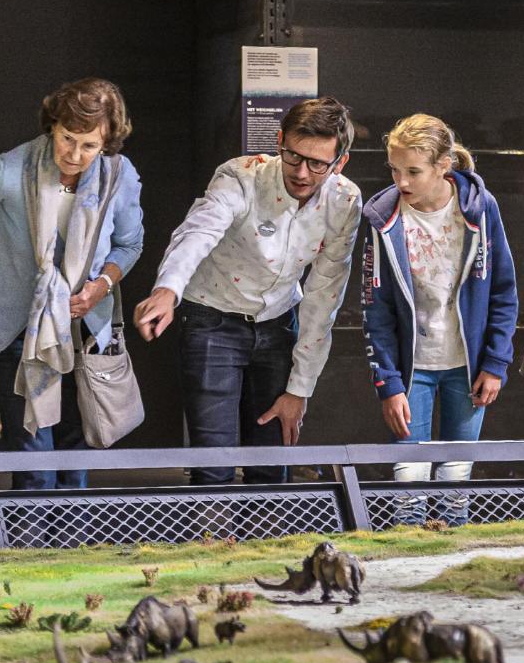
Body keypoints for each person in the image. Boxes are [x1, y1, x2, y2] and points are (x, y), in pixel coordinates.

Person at [0, 78, 143, 491]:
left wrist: (101, 286)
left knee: (75, 462)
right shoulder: (13, 169)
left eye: (89, 145)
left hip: (85, 332)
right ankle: (28, 535)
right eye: (67, 139)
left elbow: (130, 243)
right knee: (34, 465)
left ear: (106, 143)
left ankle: (71, 536)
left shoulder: (118, 176)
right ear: (52, 126)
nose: (74, 154)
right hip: (18, 329)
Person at [134, 97, 361, 485]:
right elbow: (198, 231)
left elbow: (325, 295)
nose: (302, 172)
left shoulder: (344, 201)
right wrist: (167, 290)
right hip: (212, 319)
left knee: (271, 463)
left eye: (317, 164)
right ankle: (212, 527)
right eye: (294, 156)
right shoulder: (241, 176)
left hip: (278, 324)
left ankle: (266, 529)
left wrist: (299, 390)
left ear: (339, 162)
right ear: (280, 141)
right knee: (213, 462)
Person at [361, 113, 518, 526]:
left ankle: (452, 560)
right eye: (394, 170)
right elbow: (375, 309)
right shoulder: (382, 218)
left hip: (467, 367)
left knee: (455, 483)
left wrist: (495, 363)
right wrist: (388, 382)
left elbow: (503, 291)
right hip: (412, 369)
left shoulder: (480, 208)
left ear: (443, 166)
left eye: (413, 171)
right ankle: (409, 559)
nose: (402, 181)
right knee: (409, 483)